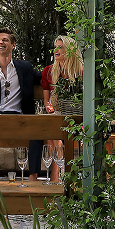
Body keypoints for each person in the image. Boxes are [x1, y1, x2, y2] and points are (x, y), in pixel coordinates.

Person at [0, 27, 42, 177]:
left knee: (38, 128)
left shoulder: (25, 68)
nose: (0, 42)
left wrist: (63, 67)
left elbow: (44, 78)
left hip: (20, 118)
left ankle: (33, 178)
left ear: (13, 44)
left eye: (5, 40)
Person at [41, 35, 83, 183]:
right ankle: (60, 172)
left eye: (61, 47)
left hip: (76, 116)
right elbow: (46, 101)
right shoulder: (49, 71)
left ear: (71, 51)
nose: (56, 50)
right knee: (52, 129)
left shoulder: (81, 72)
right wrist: (48, 106)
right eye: (55, 47)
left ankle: (56, 176)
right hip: (56, 114)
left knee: (53, 132)